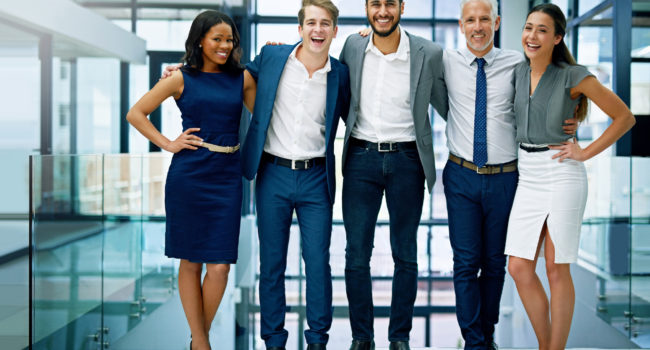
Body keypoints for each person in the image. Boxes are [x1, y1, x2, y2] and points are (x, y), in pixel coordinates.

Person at [505, 4, 635, 350]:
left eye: (542, 30)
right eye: (528, 28)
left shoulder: (573, 75)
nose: (532, 36)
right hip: (528, 175)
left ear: (557, 37)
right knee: (518, 267)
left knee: (555, 268)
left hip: (562, 171)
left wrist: (585, 152)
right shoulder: (518, 72)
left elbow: (624, 117)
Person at [126, 11, 256, 350]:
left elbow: (266, 112)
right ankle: (200, 341)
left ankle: (199, 336)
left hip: (227, 177)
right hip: (189, 176)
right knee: (190, 260)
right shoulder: (180, 78)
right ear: (200, 40)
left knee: (220, 268)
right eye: (218, 39)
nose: (225, 46)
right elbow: (136, 113)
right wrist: (168, 143)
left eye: (230, 40)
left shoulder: (241, 78)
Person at [339, 1, 447, 349]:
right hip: (360, 157)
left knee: (406, 253)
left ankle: (399, 337)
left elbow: (452, 105)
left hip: (407, 160)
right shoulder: (353, 45)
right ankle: (362, 337)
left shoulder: (427, 52)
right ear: (367, 8)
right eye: (375, 4)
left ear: (401, 6)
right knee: (356, 254)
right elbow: (335, 94)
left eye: (389, 4)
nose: (382, 11)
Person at [241, 1, 349, 349]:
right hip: (272, 174)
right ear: (300, 28)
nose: (318, 30)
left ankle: (317, 339)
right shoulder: (273, 58)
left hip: (316, 177)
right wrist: (184, 70)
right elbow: (232, 76)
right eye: (311, 23)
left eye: (326, 24)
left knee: (317, 262)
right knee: (272, 263)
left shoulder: (341, 74)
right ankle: (274, 340)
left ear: (335, 30)